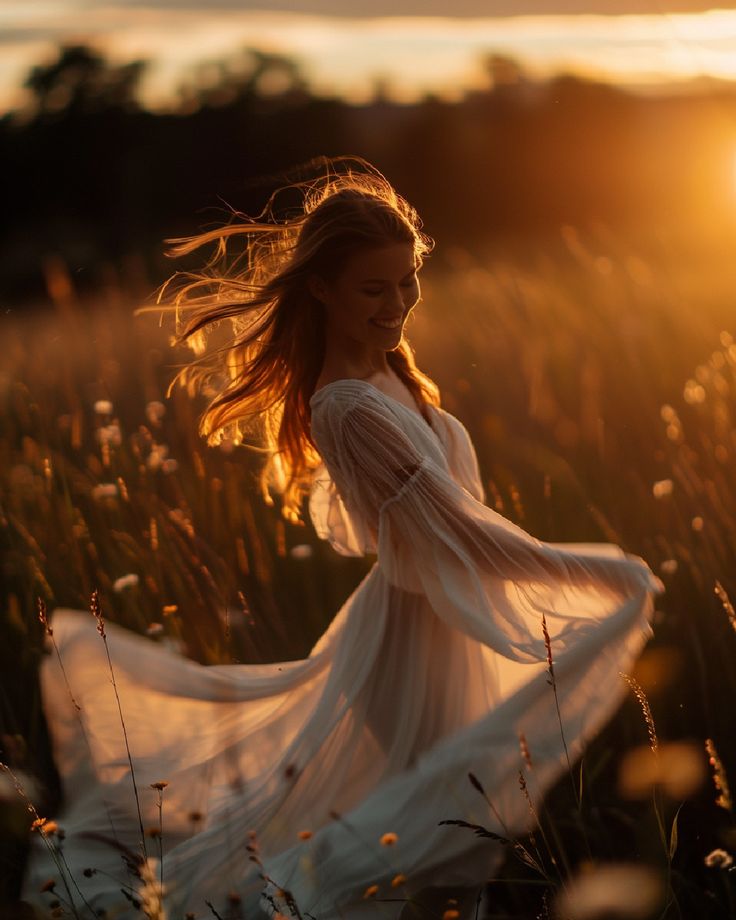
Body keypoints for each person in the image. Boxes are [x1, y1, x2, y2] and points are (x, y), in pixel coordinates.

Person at [22, 156, 664, 919]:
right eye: (374, 288)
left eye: (407, 282)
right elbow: (462, 534)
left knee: (449, 839)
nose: (397, 304)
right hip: (414, 643)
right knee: (423, 834)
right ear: (321, 288)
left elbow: (464, 527)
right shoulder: (347, 408)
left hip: (447, 622)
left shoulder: (396, 376)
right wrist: (605, 574)